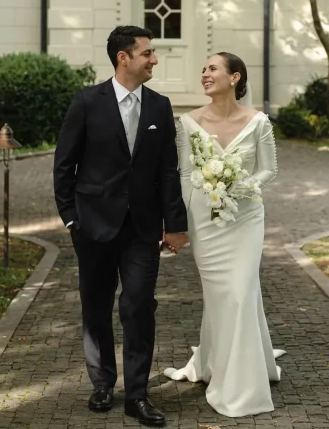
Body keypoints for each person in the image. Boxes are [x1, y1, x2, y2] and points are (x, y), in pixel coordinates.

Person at [53, 25, 188, 427]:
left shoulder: (160, 107)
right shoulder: (86, 102)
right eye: (147, 53)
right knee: (95, 305)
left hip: (143, 229)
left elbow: (168, 170)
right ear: (123, 58)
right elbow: (65, 165)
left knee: (139, 306)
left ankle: (137, 395)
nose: (154, 60)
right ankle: (101, 383)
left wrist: (174, 224)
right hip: (92, 225)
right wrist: (71, 218)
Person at [162, 52, 284, 417]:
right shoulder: (187, 123)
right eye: (203, 70)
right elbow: (184, 174)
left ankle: (240, 386)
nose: (204, 75)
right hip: (205, 221)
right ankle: (226, 361)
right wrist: (179, 224)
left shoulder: (258, 121)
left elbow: (270, 170)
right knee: (223, 297)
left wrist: (240, 183)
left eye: (212, 68)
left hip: (245, 217)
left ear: (235, 77)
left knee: (240, 293)